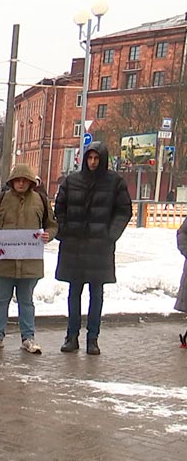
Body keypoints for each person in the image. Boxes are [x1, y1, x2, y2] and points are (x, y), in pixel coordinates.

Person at [55, 142, 132, 355]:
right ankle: (71, 337)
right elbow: (59, 208)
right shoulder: (72, 181)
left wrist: (110, 235)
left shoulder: (115, 182)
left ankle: (93, 338)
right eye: (89, 158)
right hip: (74, 246)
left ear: (103, 160)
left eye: (96, 158)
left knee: (96, 294)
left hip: (99, 248)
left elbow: (123, 211)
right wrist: (64, 231)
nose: (92, 162)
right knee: (74, 293)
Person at [0, 165, 57, 353]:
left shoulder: (41, 201)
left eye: (24, 180)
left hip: (30, 263)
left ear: (30, 182)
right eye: (18, 180)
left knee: (26, 301)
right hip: (4, 262)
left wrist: (48, 234)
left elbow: (52, 225)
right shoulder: (0, 200)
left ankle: (28, 337)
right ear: (12, 181)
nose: (21, 183)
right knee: (1, 300)